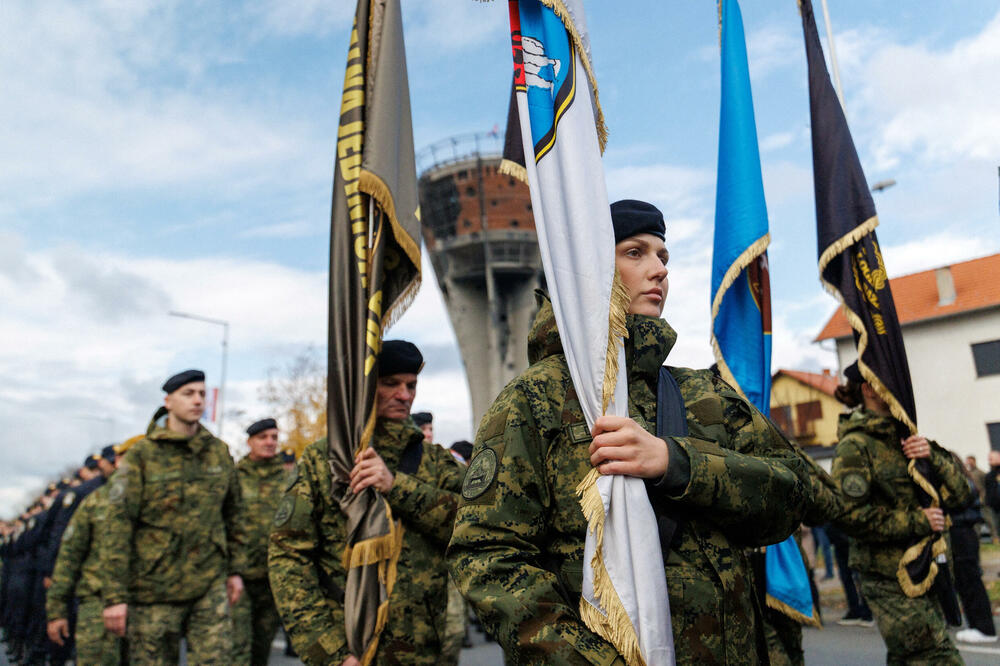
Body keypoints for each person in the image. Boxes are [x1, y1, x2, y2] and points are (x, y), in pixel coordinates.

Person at [447, 200, 812, 664]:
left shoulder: (704, 394)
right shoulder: (533, 401)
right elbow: (486, 554)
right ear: (591, 268)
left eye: (664, 256)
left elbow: (793, 495)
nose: (658, 270)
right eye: (635, 252)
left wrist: (676, 463)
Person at [269, 340, 465, 665]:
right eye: (391, 384)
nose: (404, 395)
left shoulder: (435, 462)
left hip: (422, 648)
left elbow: (473, 527)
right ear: (367, 386)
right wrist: (330, 652)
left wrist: (397, 486)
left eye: (411, 385)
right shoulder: (326, 460)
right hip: (352, 648)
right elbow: (288, 557)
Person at [101, 369, 247, 663]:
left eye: (202, 394)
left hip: (208, 584)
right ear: (168, 401)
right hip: (153, 590)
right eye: (188, 394)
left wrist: (235, 571)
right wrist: (115, 597)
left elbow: (235, 514)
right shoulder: (143, 455)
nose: (197, 400)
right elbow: (117, 525)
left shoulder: (218, 453)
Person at [831, 361, 972, 664]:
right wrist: (917, 521)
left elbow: (962, 495)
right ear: (869, 389)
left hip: (928, 570)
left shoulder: (908, 437)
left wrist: (931, 456)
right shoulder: (856, 445)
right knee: (935, 657)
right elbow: (848, 516)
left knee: (910, 658)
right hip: (888, 578)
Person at [46, 437, 137, 665]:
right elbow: (69, 556)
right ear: (118, 461)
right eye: (132, 457)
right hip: (98, 607)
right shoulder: (96, 501)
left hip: (148, 611)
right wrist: (57, 610)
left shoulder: (164, 506)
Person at [232, 417, 287, 665]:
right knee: (237, 648)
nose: (269, 442)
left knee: (261, 649)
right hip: (238, 578)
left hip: (272, 578)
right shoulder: (234, 477)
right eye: (263, 437)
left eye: (274, 437)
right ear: (250, 442)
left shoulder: (289, 480)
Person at [947, 454, 998, 643]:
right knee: (965, 582)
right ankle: (978, 626)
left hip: (962, 533)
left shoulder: (960, 485)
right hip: (963, 533)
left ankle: (984, 628)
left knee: (970, 582)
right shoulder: (964, 481)